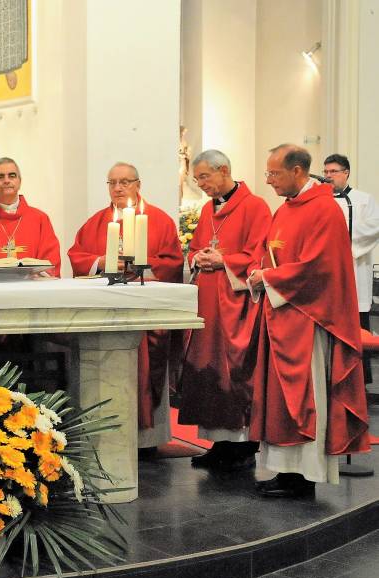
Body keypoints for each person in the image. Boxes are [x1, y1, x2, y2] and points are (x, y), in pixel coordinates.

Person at [247, 144, 370, 497]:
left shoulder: (324, 210)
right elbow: (269, 250)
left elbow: (320, 267)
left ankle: (303, 477)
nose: (269, 181)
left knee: (305, 397)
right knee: (279, 399)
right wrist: (260, 270)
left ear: (298, 171)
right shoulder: (285, 209)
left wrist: (269, 278)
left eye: (274, 173)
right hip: (281, 315)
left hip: (309, 319)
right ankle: (284, 470)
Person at [67, 162, 184, 451]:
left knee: (148, 370)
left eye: (125, 182)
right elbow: (77, 256)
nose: (118, 188)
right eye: (112, 183)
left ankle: (148, 440)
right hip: (108, 314)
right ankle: (109, 435)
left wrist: (140, 267)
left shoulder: (159, 220)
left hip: (147, 314)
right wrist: (104, 262)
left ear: (138, 184)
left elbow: (173, 262)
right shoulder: (95, 223)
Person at [177, 150, 272, 470]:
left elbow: (260, 254)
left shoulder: (255, 206)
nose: (201, 184)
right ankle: (219, 443)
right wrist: (198, 258)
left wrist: (224, 261)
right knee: (208, 372)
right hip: (208, 303)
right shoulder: (207, 209)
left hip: (237, 306)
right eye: (197, 178)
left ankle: (243, 447)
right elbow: (195, 247)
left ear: (224, 170)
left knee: (235, 372)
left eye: (204, 177)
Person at [322, 154, 379, 333]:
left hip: (355, 266)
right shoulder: (320, 201)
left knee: (357, 328)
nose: (328, 175)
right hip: (327, 268)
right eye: (325, 171)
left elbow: (374, 227)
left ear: (346, 173)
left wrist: (338, 236)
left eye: (333, 171)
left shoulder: (364, 199)